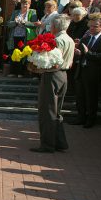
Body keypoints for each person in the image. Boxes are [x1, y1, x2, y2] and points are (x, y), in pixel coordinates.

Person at [30, 15, 74, 153]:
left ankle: (48, 144)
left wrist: (37, 67)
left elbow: (53, 62)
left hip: (53, 75)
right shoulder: (70, 39)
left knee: (47, 111)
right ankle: (60, 142)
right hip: (63, 75)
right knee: (56, 111)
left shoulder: (58, 40)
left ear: (55, 26)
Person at [73, 13, 101, 128]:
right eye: (90, 26)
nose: (92, 28)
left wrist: (87, 53)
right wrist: (78, 53)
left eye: (95, 26)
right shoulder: (85, 38)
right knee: (80, 96)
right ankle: (81, 117)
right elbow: (81, 55)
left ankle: (91, 120)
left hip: (93, 73)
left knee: (91, 98)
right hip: (81, 71)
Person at [6, 0, 38, 77]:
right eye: (23, 3)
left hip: (25, 37)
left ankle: (21, 72)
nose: (25, 5)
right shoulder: (16, 12)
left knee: (23, 53)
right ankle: (13, 72)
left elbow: (34, 24)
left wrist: (25, 23)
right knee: (14, 53)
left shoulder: (32, 12)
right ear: (21, 5)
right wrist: (15, 22)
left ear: (29, 5)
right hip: (15, 36)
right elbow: (9, 24)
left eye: (27, 4)